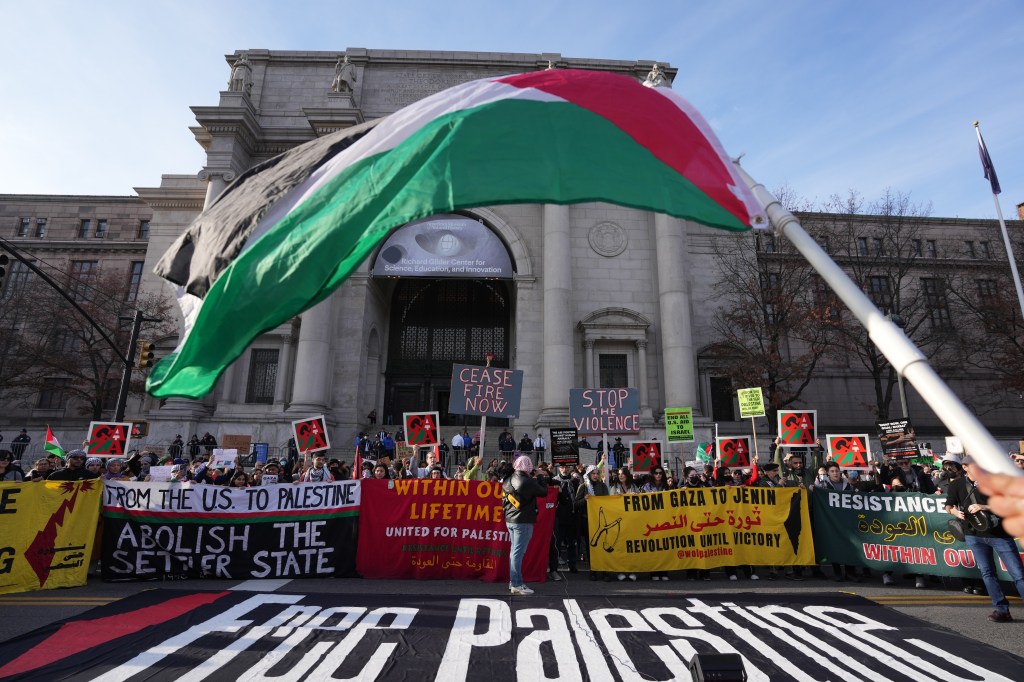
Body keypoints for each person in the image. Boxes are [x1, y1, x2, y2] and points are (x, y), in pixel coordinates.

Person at [946, 455, 1024, 622]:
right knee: (987, 573)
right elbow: (948, 505)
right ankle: (1002, 610)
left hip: (999, 534)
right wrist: (954, 512)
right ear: (965, 467)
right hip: (974, 535)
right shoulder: (957, 484)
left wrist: (985, 506)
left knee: (1018, 573)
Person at [503, 455, 550, 595]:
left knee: (514, 552)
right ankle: (517, 584)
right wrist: (541, 476)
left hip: (510, 519)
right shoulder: (526, 481)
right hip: (522, 521)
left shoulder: (510, 478)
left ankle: (513, 581)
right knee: (517, 553)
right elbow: (543, 492)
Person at [575, 457, 610, 580]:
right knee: (591, 547)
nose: (595, 476)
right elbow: (575, 503)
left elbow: (608, 501)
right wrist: (584, 500)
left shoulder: (603, 486)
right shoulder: (583, 486)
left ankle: (605, 570)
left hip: (601, 520)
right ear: (589, 475)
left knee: (603, 545)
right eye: (593, 474)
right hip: (587, 520)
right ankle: (593, 570)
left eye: (597, 473)